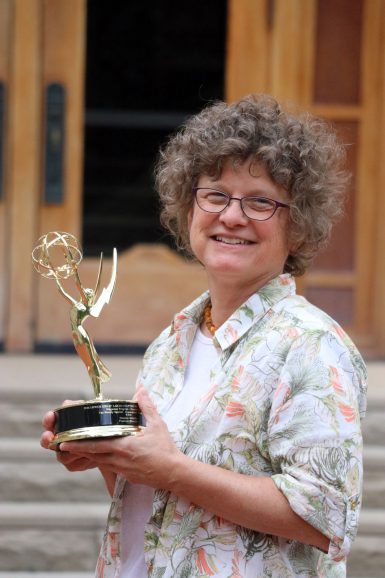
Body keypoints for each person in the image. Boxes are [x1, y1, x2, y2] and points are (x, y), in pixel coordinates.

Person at [41, 94, 367, 578]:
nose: (231, 216)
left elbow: (327, 519)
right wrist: (112, 455)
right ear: (188, 208)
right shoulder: (172, 342)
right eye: (215, 194)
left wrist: (171, 468)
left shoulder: (311, 345)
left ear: (297, 225)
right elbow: (165, 511)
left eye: (260, 201)